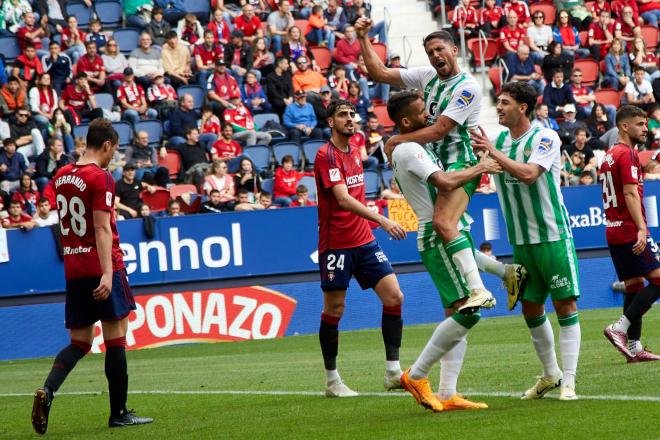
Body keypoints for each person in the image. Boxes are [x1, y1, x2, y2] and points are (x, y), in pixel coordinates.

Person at [355, 23, 496, 309]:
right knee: (450, 232)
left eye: (440, 49)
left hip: (462, 161)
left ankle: (479, 290)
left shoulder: (466, 88)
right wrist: (361, 38)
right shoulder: (427, 76)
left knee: (442, 224)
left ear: (454, 50)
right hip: (438, 161)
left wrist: (397, 139)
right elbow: (379, 73)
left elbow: (440, 130)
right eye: (430, 52)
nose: (435, 56)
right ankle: (506, 273)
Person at [31, 119, 153, 435]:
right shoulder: (100, 177)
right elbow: (101, 228)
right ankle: (119, 412)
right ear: (107, 145)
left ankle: (48, 389)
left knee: (80, 341)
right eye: (114, 149)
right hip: (101, 265)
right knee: (116, 338)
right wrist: (109, 274)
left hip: (73, 269)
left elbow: (52, 213)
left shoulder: (61, 175)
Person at [388, 90, 504, 412]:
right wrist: (482, 167)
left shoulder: (407, 146)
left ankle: (447, 392)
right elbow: (446, 182)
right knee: (470, 313)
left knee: (457, 313)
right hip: (436, 236)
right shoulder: (410, 149)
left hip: (436, 235)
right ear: (407, 120)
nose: (429, 115)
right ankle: (417, 374)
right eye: (421, 111)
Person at [471, 81, 581, 401]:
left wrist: (491, 153)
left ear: (523, 107)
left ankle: (570, 382)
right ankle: (551, 375)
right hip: (521, 241)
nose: (499, 107)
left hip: (553, 235)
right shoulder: (500, 140)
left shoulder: (544, 137)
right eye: (498, 102)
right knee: (531, 308)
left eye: (505, 102)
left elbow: (530, 174)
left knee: (565, 305)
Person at [314, 99, 407, 397]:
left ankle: (393, 372)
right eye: (342, 115)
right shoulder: (325, 155)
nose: (350, 119)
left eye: (352, 114)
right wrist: (381, 217)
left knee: (394, 296)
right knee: (335, 308)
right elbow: (342, 199)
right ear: (331, 122)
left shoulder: (355, 152)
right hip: (336, 244)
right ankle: (332, 381)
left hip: (364, 240)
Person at [601, 105, 660, 363]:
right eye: (639, 124)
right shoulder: (627, 155)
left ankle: (634, 347)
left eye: (646, 124)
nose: (645, 129)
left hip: (613, 229)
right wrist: (641, 228)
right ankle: (620, 328)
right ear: (624, 126)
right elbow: (629, 193)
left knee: (634, 286)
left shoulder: (609, 155)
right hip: (628, 229)